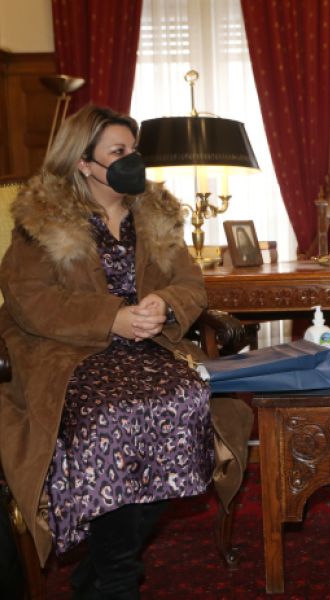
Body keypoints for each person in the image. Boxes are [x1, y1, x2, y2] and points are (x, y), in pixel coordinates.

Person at [0, 104, 248, 599]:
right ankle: (117, 581)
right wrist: (110, 317)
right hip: (67, 353)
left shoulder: (155, 213)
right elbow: (29, 299)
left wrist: (165, 302)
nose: (133, 160)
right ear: (83, 163)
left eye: (134, 149)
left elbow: (191, 283)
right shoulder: (42, 221)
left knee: (185, 400)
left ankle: (98, 571)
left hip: (151, 350)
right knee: (111, 415)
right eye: (118, 151)